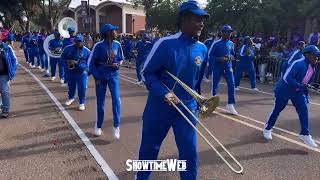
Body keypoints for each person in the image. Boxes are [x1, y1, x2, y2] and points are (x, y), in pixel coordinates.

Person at [136, 1, 208, 179]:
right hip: (159, 108)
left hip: (187, 108)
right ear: (183, 19)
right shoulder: (165, 44)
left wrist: (197, 102)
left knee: (189, 152)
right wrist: (163, 93)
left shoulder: (203, 48)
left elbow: (196, 82)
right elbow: (146, 72)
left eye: (202, 20)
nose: (201, 24)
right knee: (149, 148)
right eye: (196, 19)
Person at [263, 45, 320, 148]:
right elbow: (286, 77)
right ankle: (267, 128)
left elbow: (306, 82)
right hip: (284, 90)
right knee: (277, 110)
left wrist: (305, 94)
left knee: (304, 110)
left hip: (298, 92)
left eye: (317, 56)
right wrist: (299, 85)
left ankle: (305, 134)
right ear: (307, 55)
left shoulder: (313, 67)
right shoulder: (298, 63)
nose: (317, 57)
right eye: (315, 55)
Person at [88, 23, 124, 138]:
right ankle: (98, 126)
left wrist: (118, 64)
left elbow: (121, 58)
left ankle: (116, 126)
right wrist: (97, 77)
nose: (116, 32)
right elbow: (90, 63)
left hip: (113, 75)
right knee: (100, 102)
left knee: (116, 100)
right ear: (108, 33)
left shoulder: (117, 44)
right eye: (114, 31)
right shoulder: (98, 46)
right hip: (101, 77)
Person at [208, 24, 238, 115]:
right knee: (215, 86)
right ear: (222, 33)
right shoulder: (216, 43)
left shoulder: (231, 43)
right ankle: (212, 103)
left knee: (232, 84)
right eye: (227, 32)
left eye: (230, 32)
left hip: (228, 68)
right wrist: (219, 59)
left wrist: (231, 57)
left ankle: (230, 104)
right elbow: (210, 55)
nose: (229, 34)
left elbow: (233, 55)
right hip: (217, 67)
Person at [61, 34, 90, 111]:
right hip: (71, 71)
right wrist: (68, 63)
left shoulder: (87, 51)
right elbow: (62, 58)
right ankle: (71, 98)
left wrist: (87, 72)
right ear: (74, 41)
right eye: (77, 41)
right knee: (71, 86)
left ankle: (82, 103)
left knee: (82, 87)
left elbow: (90, 62)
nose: (78, 43)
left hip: (82, 72)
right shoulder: (67, 48)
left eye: (80, 41)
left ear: (83, 41)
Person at [0, 33, 17, 118]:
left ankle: (5, 110)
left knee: (4, 92)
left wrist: (12, 71)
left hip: (4, 75)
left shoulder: (7, 48)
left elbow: (14, 60)